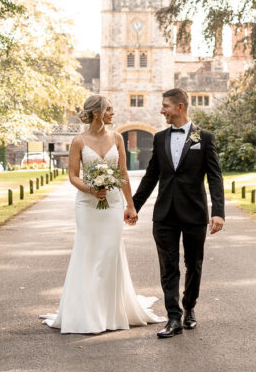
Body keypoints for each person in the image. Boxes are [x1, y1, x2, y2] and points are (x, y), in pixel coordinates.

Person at [41, 95, 165, 333]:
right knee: (87, 253)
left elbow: (123, 173)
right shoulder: (79, 141)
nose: (112, 112)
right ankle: (86, 311)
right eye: (108, 109)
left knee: (109, 253)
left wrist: (131, 206)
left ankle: (109, 311)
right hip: (87, 205)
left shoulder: (117, 138)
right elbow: (73, 175)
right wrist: (91, 189)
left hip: (113, 204)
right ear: (96, 112)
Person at [131, 87, 225, 339]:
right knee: (168, 266)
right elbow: (151, 176)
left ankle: (189, 307)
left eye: (165, 106)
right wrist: (133, 206)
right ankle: (173, 317)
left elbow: (215, 177)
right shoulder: (160, 138)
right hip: (164, 214)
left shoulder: (203, 138)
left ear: (179, 107)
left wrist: (218, 212)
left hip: (194, 213)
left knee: (193, 264)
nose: (162, 110)